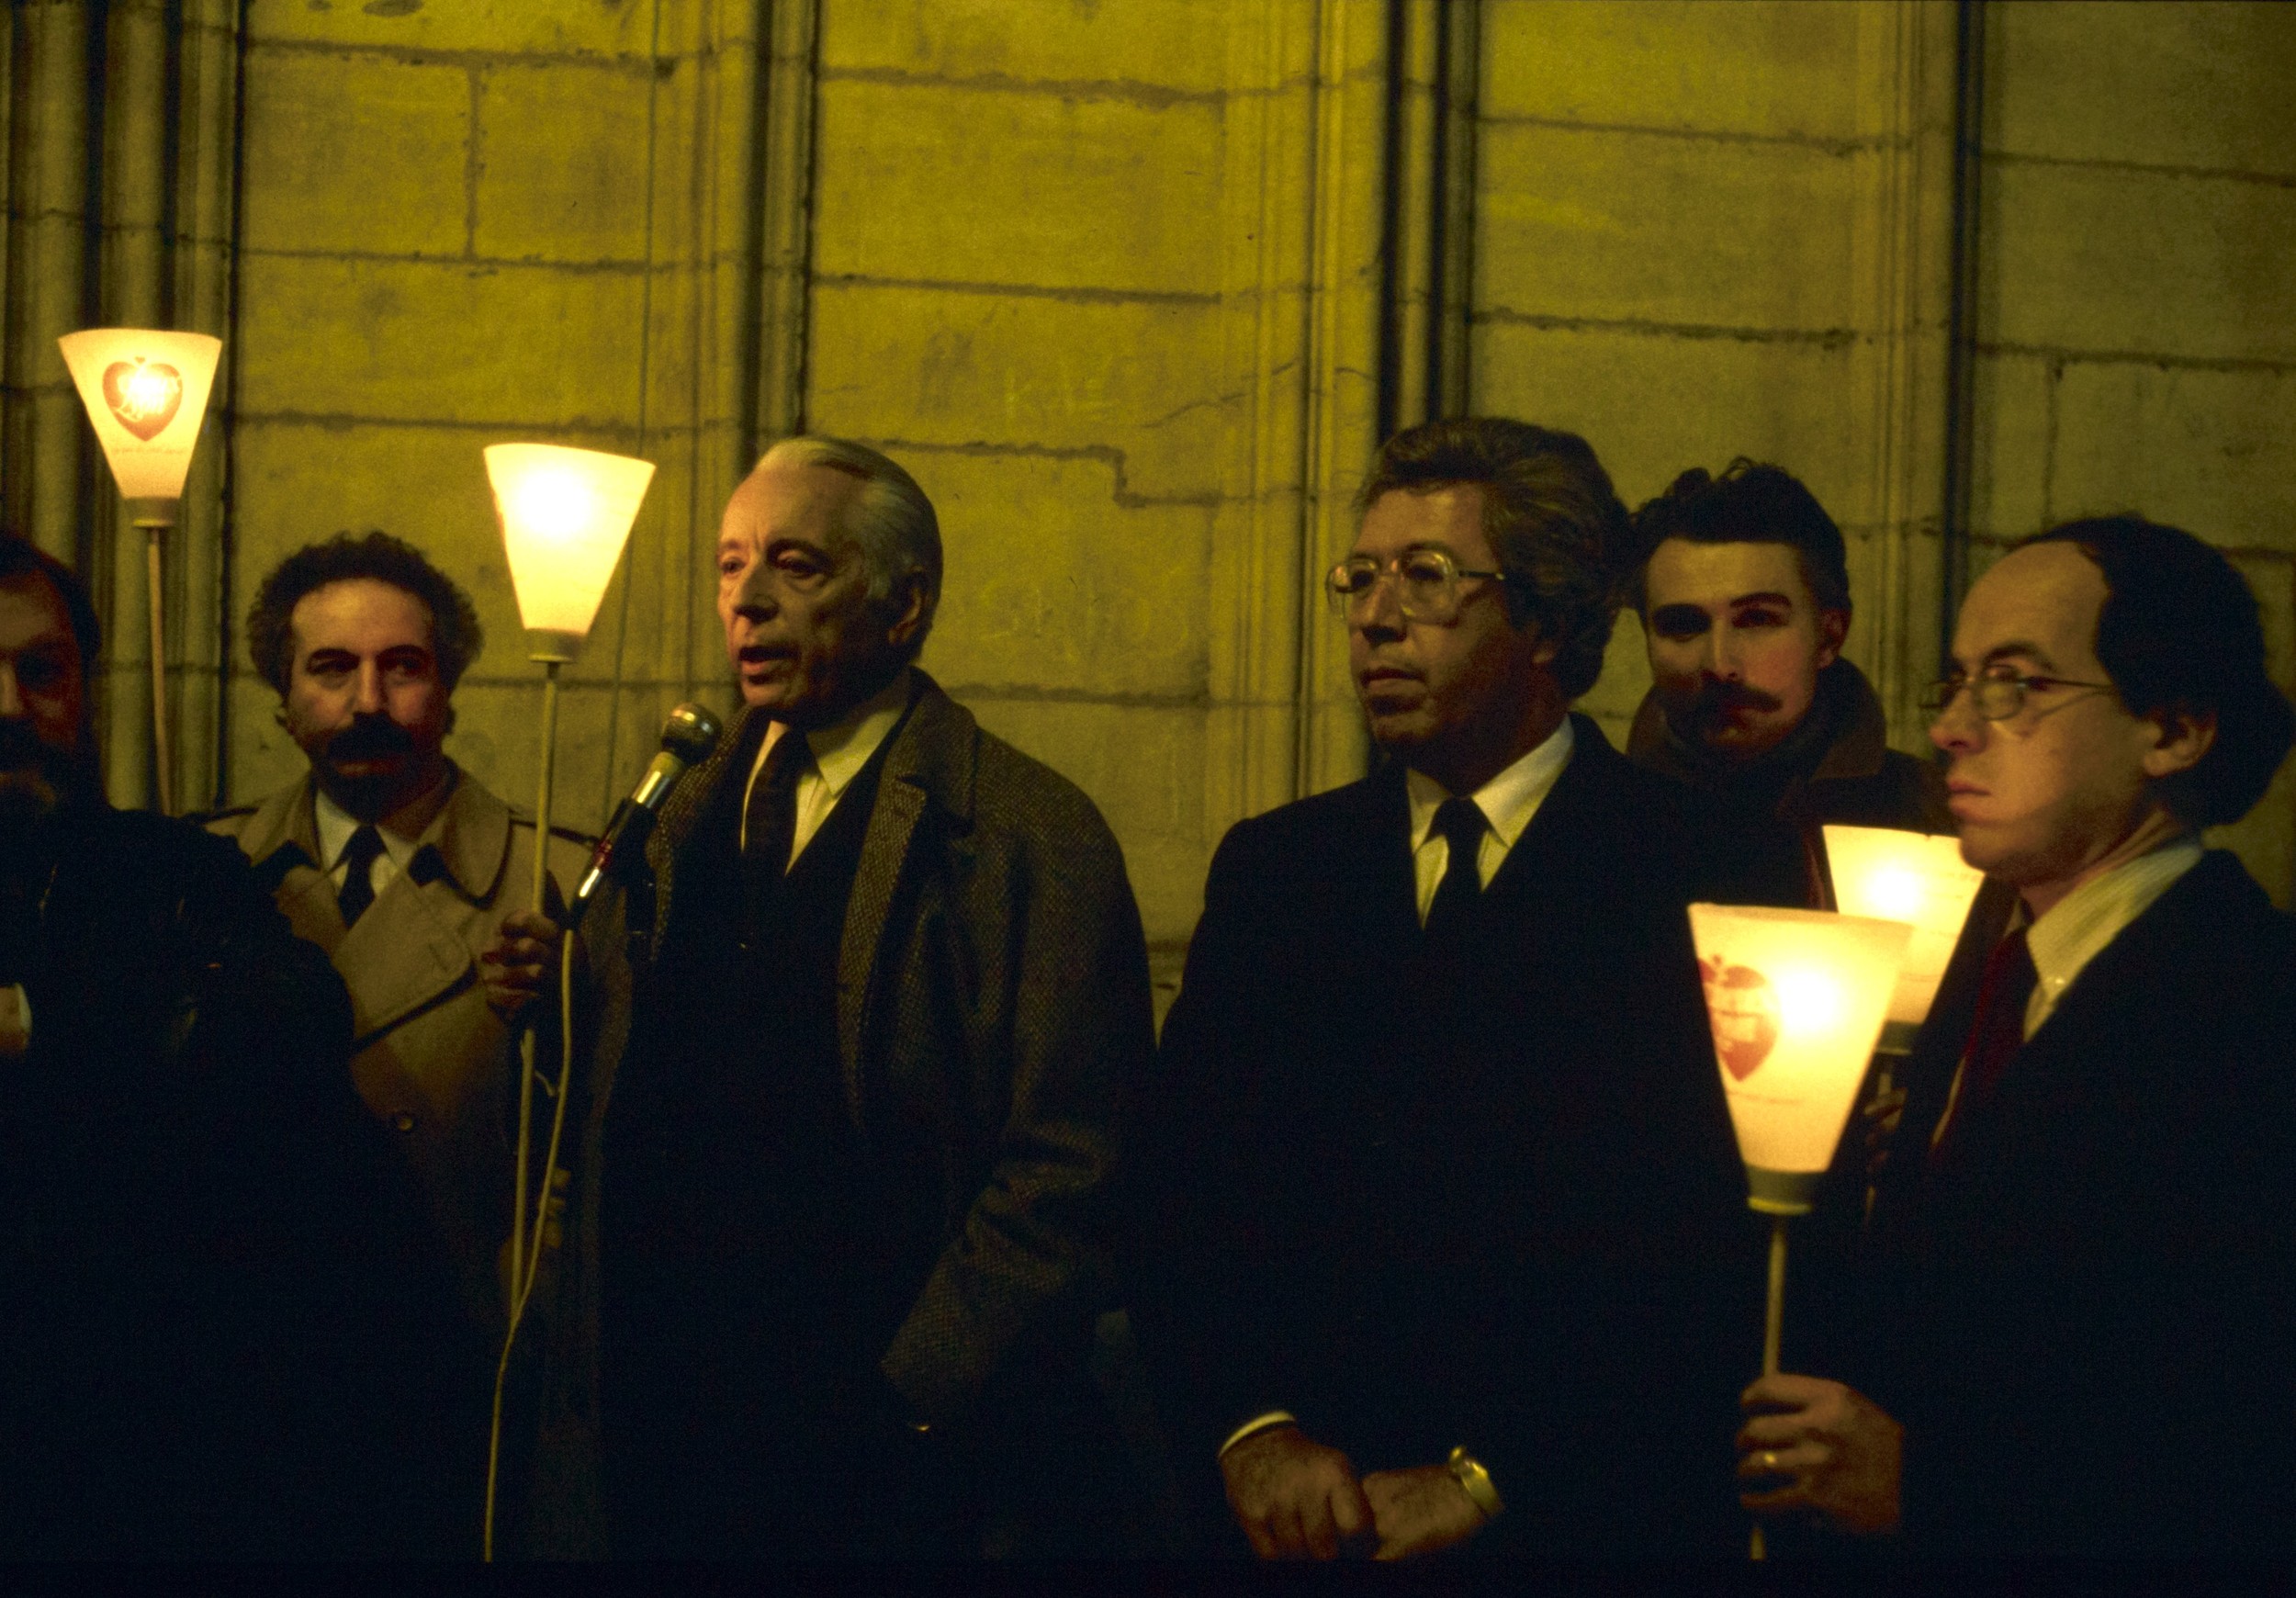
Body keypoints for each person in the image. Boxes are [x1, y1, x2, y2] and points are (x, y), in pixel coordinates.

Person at [1131, 417, 1802, 1561]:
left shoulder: (1707, 871)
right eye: (1361, 579)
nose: (1374, 618)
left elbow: (1711, 1255)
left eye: (1428, 579)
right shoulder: (1279, 870)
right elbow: (1181, 1185)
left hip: (1571, 1532)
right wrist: (1252, 1428)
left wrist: (1495, 1480)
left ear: (1544, 618)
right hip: (1296, 1532)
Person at [519, 436, 1154, 1558]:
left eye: (795, 565)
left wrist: (917, 1392)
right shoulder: (674, 808)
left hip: (893, 1465)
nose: (747, 602)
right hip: (659, 1432)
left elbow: (1070, 1169)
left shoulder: (1020, 835)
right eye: (728, 566)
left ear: (902, 605)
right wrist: (544, 1001)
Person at [1736, 516, 2296, 1558]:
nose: (1953, 727)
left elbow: (2240, 1444)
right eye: (1954, 683)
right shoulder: (1990, 966)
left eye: (2015, 685)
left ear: (2172, 729)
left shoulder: (2251, 1014)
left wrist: (1933, 1489)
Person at [0, 535, 465, 1556]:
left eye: (40, 671)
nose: (9, 707)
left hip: (140, 1433)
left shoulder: (164, 871)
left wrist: (39, 1023)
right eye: (331, 668)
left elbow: (289, 1017)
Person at [208, 532, 591, 1354]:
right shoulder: (213, 876)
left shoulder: (559, 883)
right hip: (259, 1340)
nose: (369, 702)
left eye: (404, 667)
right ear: (283, 699)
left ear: (449, 693)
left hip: (458, 1337)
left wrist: (572, 1014)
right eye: (332, 668)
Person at [1626, 459, 1950, 895]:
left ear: (1830, 636)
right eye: (1684, 625)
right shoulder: (1587, 825)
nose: (1720, 665)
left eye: (1757, 619)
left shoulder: (1934, 820)